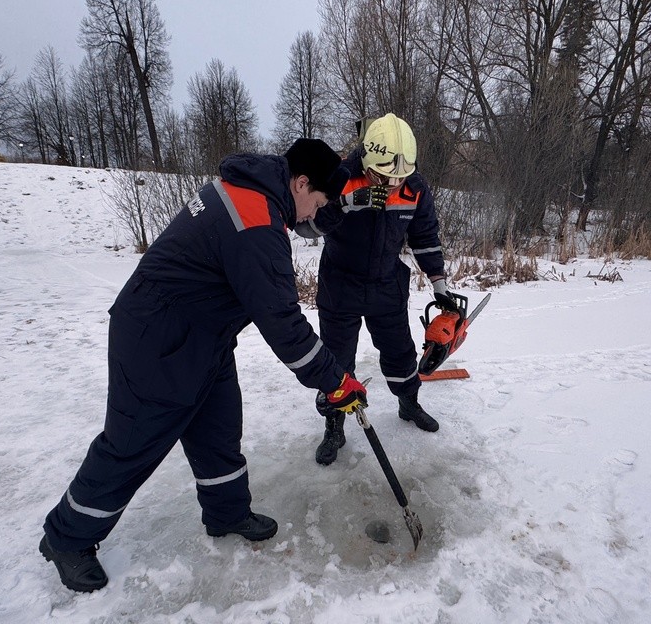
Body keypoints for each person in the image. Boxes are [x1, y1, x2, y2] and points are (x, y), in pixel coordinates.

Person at [39, 138, 368, 593]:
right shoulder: (256, 220)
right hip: (157, 338)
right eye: (316, 201)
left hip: (202, 335)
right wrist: (335, 380)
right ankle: (66, 537)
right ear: (300, 182)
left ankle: (227, 513)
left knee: (218, 427)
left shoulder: (253, 190)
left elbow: (289, 253)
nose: (313, 213)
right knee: (133, 440)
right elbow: (282, 322)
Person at [295, 113, 453, 466]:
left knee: (400, 351)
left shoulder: (416, 187)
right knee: (336, 359)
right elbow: (306, 227)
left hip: (387, 281)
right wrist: (346, 206)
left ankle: (409, 403)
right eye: (384, 177)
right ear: (367, 159)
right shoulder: (339, 177)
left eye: (400, 177)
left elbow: (425, 237)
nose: (393, 184)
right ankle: (333, 425)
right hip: (341, 282)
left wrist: (439, 284)